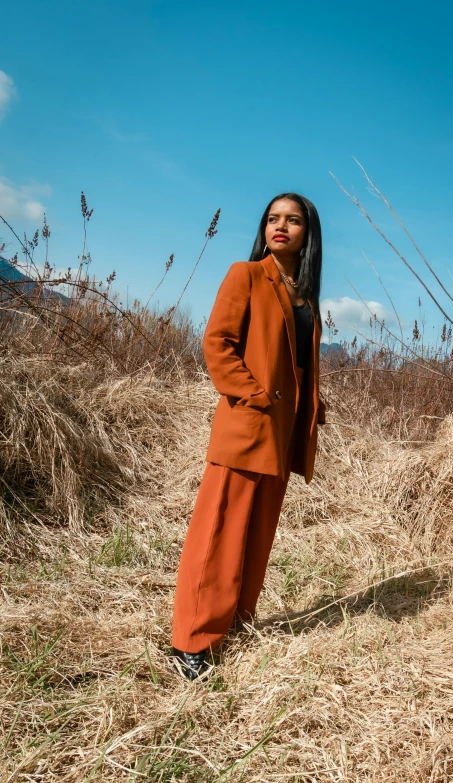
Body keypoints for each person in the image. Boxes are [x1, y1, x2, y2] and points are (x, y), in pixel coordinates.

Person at [171, 192, 326, 680]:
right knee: (218, 533)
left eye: (293, 220)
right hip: (247, 423)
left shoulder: (304, 296)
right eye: (272, 218)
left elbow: (297, 362)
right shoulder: (247, 274)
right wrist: (253, 394)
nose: (280, 226)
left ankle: (236, 622)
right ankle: (191, 642)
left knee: (256, 535)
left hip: (284, 432)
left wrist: (313, 406)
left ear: (308, 234)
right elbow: (217, 342)